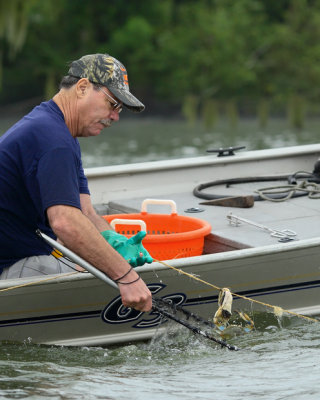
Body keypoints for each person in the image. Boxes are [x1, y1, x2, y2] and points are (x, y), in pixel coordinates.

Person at [0, 53, 153, 312]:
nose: (115, 117)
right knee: (95, 271)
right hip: (9, 266)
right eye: (112, 104)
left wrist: (115, 242)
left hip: (23, 253)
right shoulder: (53, 140)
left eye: (119, 110)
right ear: (82, 87)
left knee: (95, 260)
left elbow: (84, 212)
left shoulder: (58, 130)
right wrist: (127, 277)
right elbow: (65, 223)